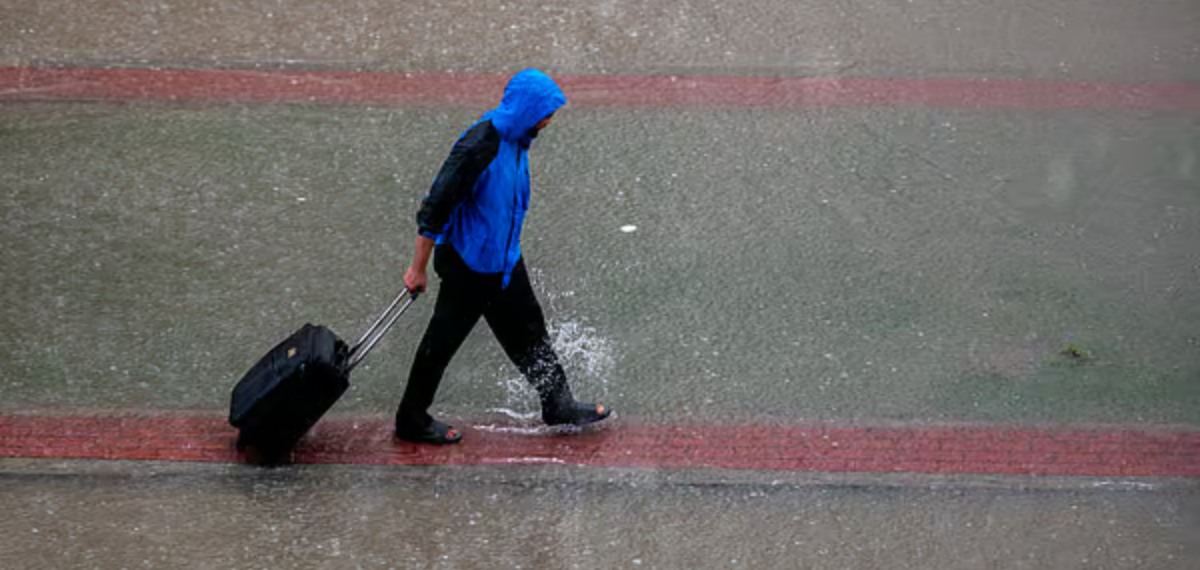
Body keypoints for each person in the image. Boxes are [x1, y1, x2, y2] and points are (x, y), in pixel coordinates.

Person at [395, 68, 611, 444]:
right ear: (527, 110)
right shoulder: (478, 146)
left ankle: (558, 404)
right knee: (441, 343)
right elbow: (435, 208)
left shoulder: (517, 140)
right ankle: (410, 419)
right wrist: (418, 269)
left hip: (505, 261)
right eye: (545, 114)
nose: (548, 122)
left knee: (530, 332)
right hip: (469, 266)